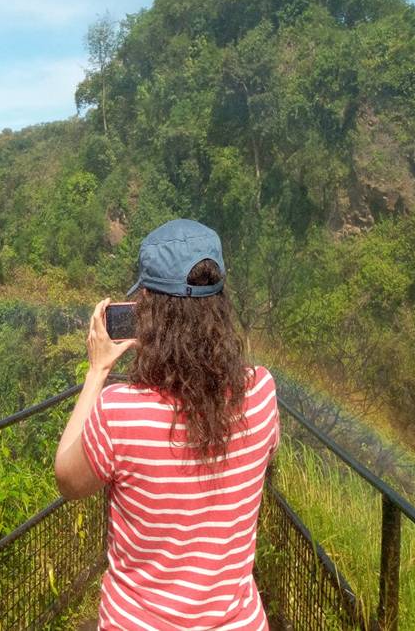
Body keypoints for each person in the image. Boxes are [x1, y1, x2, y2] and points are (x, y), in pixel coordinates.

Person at [55, 219, 279, 630]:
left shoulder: (120, 412)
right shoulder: (262, 393)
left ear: (150, 313)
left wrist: (96, 372)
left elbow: (67, 479)